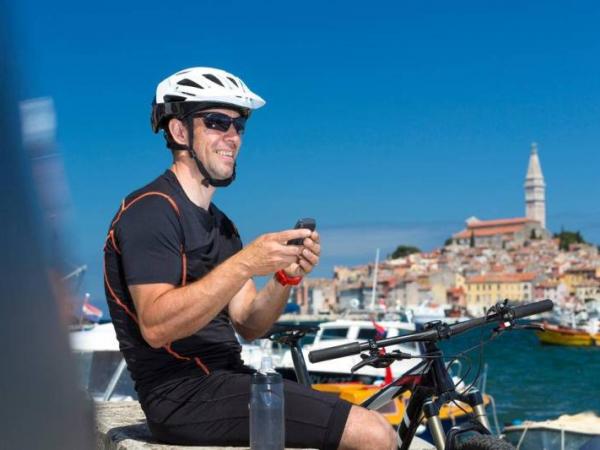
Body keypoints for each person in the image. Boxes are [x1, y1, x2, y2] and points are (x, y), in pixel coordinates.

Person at [104, 67, 396, 450]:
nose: (232, 137)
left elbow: (249, 323)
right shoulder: (151, 211)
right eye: (216, 122)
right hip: (182, 396)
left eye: (239, 126)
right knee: (374, 434)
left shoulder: (222, 226)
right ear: (178, 131)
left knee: (373, 415)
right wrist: (245, 263)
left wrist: (283, 278)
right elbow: (156, 326)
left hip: (228, 380)